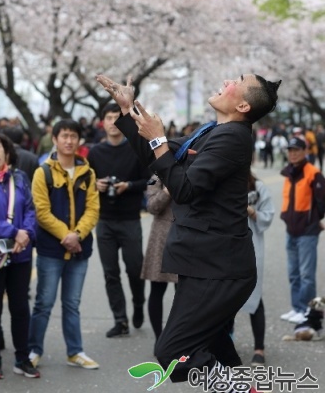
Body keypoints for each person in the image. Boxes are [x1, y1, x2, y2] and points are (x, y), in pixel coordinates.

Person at [95, 72, 280, 392]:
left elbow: (185, 189)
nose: (226, 81)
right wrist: (129, 111)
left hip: (219, 269)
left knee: (171, 353)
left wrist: (158, 140)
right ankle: (243, 387)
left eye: (236, 81)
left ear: (244, 105)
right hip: (204, 264)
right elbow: (159, 158)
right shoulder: (213, 131)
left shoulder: (234, 136)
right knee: (213, 345)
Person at [28, 119, 100, 369]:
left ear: (79, 140)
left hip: (80, 249)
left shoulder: (88, 172)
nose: (69, 140)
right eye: (64, 136)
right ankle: (33, 350)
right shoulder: (42, 172)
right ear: (55, 139)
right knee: (44, 303)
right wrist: (66, 236)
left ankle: (75, 351)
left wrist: (77, 234)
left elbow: (93, 208)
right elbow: (42, 211)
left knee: (72, 304)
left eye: (73, 136)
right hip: (51, 249)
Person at [0, 128, 40, 379]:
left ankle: (22, 357)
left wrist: (27, 233)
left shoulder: (20, 177)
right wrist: (15, 232)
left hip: (21, 253)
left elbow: (31, 209)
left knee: (20, 307)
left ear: (6, 150)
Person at [87, 103, 150, 338]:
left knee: (135, 269)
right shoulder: (94, 153)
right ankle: (120, 319)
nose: (113, 122)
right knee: (110, 273)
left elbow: (151, 180)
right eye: (109, 117)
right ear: (102, 123)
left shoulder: (136, 149)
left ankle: (138, 303)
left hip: (130, 219)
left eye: (117, 117)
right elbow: (86, 184)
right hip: (104, 221)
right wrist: (96, 185)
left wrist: (129, 186)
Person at [280, 136, 325, 325]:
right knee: (293, 273)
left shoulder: (313, 173)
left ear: (305, 151)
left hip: (307, 231)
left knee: (306, 275)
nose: (293, 153)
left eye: (297, 150)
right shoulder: (289, 172)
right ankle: (297, 308)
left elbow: (322, 202)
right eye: (290, 150)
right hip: (291, 230)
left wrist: (315, 220)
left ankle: (308, 310)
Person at [241, 169, 274, 367]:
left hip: (252, 246)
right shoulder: (221, 184)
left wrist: (251, 211)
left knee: (255, 295)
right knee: (224, 298)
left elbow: (268, 215)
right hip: (225, 249)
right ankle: (226, 344)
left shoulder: (257, 188)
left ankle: (259, 348)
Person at [141, 178, 177, 346]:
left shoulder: (193, 167)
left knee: (186, 294)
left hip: (187, 236)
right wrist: (167, 190)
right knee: (157, 289)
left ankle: (181, 339)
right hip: (161, 237)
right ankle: (159, 339)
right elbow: (152, 207)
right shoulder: (156, 174)